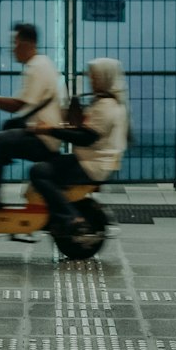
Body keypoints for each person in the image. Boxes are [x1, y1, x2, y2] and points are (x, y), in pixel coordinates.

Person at [0, 22, 65, 216]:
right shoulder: (43, 63)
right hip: (44, 135)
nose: (12, 48)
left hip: (43, 139)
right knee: (3, 136)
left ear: (27, 44)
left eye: (15, 43)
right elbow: (27, 107)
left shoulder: (36, 67)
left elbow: (18, 104)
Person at [26, 58, 128, 241]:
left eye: (95, 77)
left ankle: (73, 218)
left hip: (91, 165)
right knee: (49, 165)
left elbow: (86, 138)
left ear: (105, 78)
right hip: (89, 159)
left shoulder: (107, 107)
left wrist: (50, 130)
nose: (92, 81)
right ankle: (58, 214)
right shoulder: (103, 102)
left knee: (39, 172)